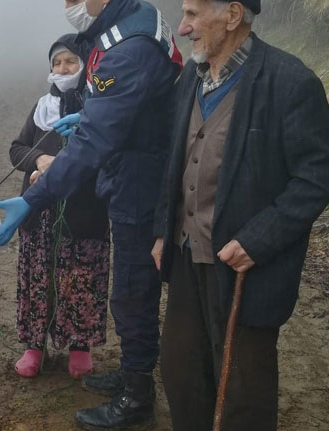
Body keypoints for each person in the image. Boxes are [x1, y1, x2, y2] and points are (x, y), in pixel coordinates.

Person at [0, 0, 182, 428]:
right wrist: (90, 111)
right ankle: (131, 374)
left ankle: (137, 398)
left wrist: (32, 201)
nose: (69, 6)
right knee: (129, 293)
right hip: (135, 172)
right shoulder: (135, 22)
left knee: (132, 294)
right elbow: (123, 106)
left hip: (139, 183)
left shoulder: (128, 48)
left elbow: (93, 145)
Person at [151, 0, 329, 429]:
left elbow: (316, 177)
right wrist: (163, 230)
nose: (183, 26)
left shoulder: (290, 82)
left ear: (232, 16)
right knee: (181, 370)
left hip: (244, 265)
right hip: (187, 251)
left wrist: (258, 240)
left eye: (193, 14)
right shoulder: (189, 81)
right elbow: (174, 163)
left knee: (242, 388)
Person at [9, 34, 110, 380]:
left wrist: (68, 167)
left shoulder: (99, 106)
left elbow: (106, 155)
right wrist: (38, 161)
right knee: (39, 278)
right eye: (57, 63)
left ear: (85, 65)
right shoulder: (41, 108)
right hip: (40, 216)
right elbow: (16, 149)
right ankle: (34, 347)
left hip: (85, 212)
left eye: (70, 61)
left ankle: (80, 347)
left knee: (81, 278)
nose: (63, 68)